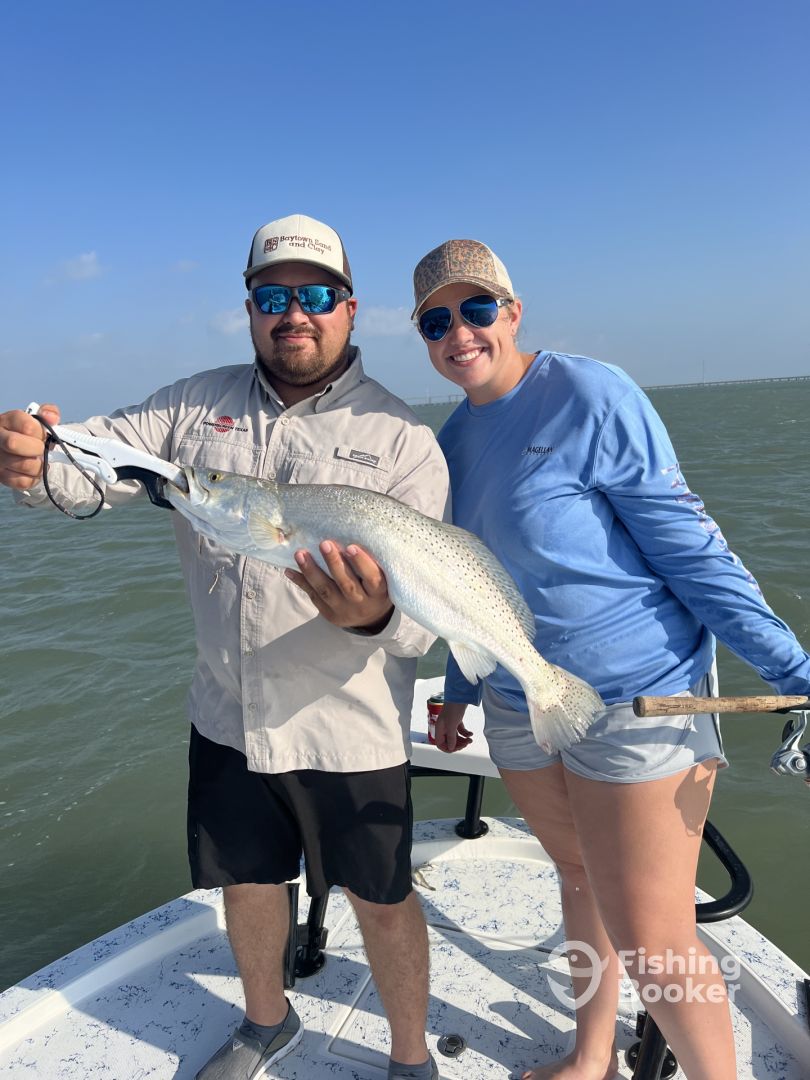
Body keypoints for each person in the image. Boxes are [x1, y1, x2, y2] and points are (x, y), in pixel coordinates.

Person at [0, 214, 448, 1080]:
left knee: (383, 898)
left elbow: (423, 618)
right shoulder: (189, 407)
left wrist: (370, 618)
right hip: (226, 715)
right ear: (248, 310)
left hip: (348, 728)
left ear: (350, 308)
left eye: (316, 295)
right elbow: (90, 463)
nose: (295, 314)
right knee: (247, 882)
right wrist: (31, 456)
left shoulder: (404, 442)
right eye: (272, 298)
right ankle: (266, 1022)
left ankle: (409, 1056)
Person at [410, 238, 810, 1080]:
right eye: (436, 322)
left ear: (513, 312)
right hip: (520, 700)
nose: (460, 333)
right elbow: (460, 584)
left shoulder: (590, 394)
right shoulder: (449, 443)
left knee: (655, 939)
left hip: (639, 698)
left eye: (477, 309)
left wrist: (794, 672)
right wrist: (456, 693)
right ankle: (591, 1055)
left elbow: (692, 551)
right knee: (577, 876)